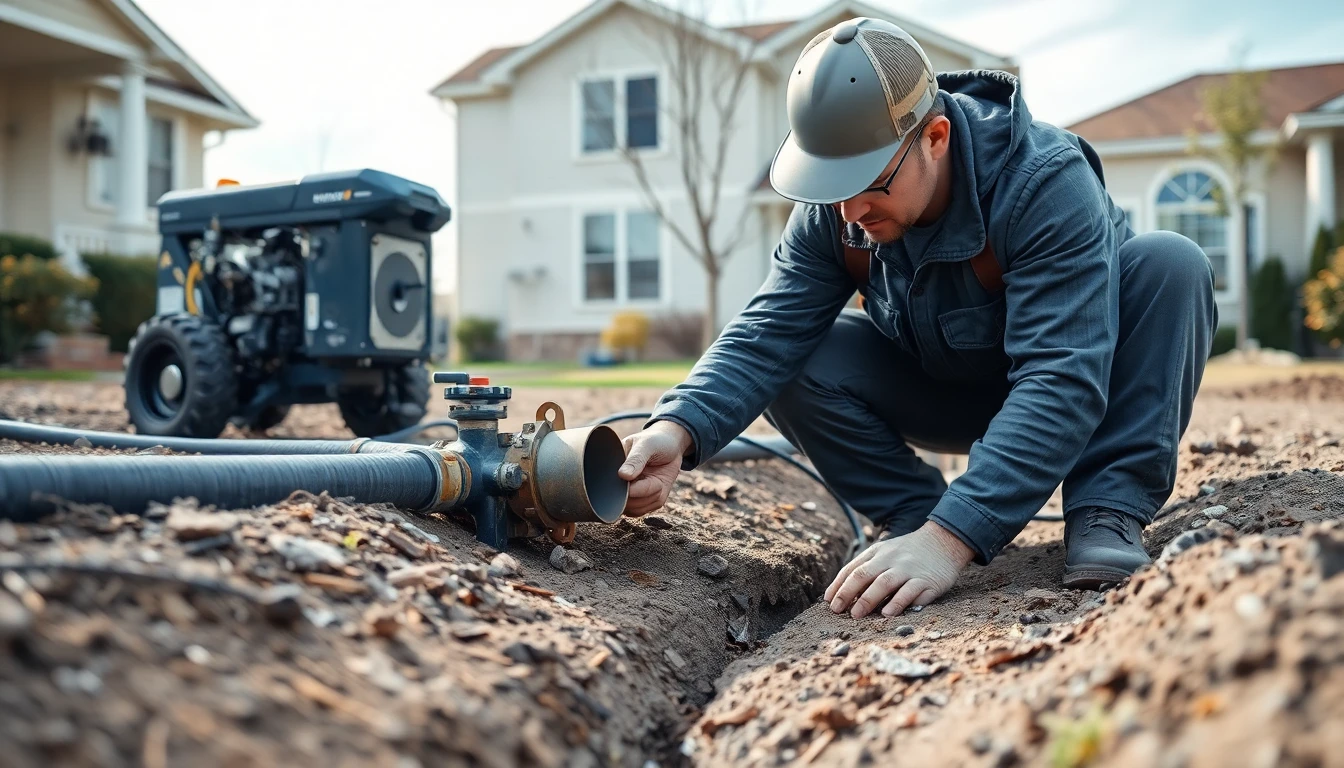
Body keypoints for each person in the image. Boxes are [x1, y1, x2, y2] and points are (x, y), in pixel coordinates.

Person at [616, 18, 1216, 619]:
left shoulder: (1043, 183)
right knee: (797, 356)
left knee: (1171, 264)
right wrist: (676, 428)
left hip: (1080, 389)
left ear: (935, 136)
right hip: (947, 392)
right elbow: (765, 331)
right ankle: (908, 512)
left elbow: (1062, 376)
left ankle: (1105, 509)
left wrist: (949, 540)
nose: (851, 211)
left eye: (869, 184)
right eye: (832, 187)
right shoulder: (838, 211)